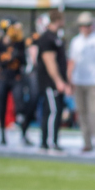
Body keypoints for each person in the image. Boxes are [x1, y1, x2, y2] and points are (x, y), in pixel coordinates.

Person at [66, 12, 95, 154]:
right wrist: (69, 80)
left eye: (87, 25)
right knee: (82, 114)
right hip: (79, 81)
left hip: (94, 82)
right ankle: (87, 143)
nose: (85, 28)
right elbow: (72, 62)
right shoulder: (76, 41)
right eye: (82, 25)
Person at [33, 9, 69, 154]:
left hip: (54, 81)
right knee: (53, 111)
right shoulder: (48, 38)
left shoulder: (55, 37)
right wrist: (58, 81)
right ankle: (49, 142)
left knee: (54, 111)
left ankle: (48, 142)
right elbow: (50, 62)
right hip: (50, 82)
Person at [0, 21, 27, 147]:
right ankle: (2, 136)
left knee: (20, 106)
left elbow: (23, 60)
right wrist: (0, 66)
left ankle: (23, 134)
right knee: (1, 106)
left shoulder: (19, 42)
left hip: (15, 77)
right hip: (3, 77)